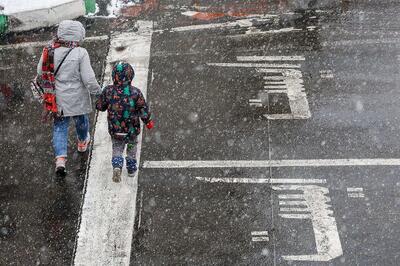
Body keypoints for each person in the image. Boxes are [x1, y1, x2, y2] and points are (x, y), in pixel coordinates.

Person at [37, 20, 101, 177]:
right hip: (78, 98)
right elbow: (88, 79)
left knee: (60, 127)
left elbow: (40, 71)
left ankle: (60, 159)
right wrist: (98, 91)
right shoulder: (81, 53)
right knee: (81, 121)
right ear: (79, 35)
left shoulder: (49, 50)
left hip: (58, 99)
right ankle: (82, 143)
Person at [96, 62, 153, 183]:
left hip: (115, 129)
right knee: (132, 147)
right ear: (131, 76)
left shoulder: (109, 91)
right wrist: (147, 121)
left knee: (117, 147)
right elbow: (143, 109)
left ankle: (117, 165)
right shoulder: (135, 93)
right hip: (131, 129)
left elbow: (100, 106)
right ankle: (131, 169)